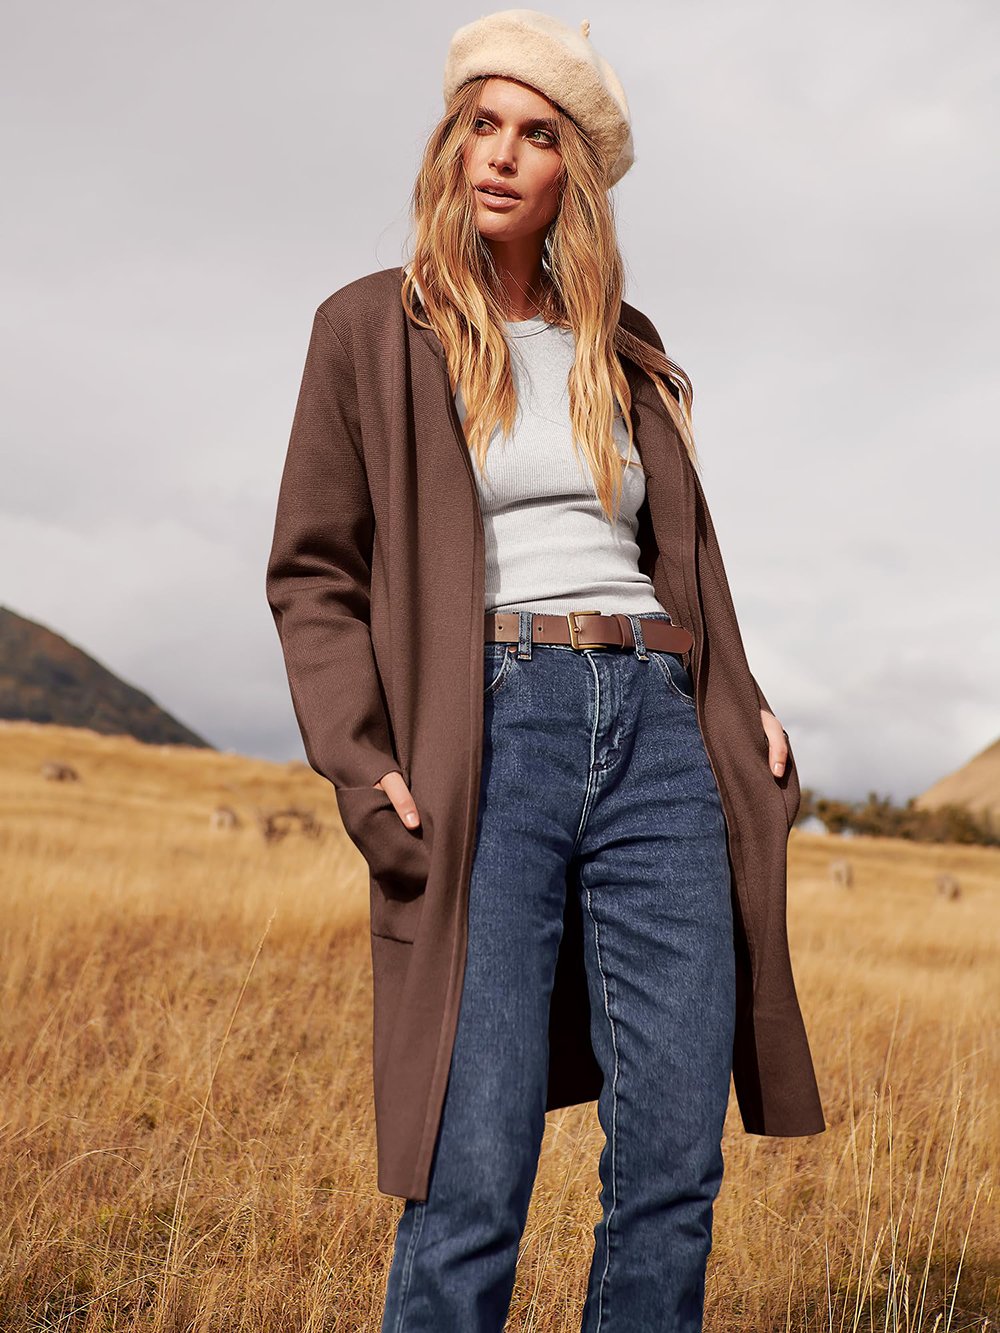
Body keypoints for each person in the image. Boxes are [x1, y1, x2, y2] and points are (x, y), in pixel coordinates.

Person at [266, 10, 825, 1331]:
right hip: (491, 728)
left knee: (673, 1169)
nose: (501, 155)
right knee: (472, 1173)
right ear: (450, 143)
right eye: (482, 124)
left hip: (659, 733)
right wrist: (361, 757)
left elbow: (683, 560)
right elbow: (313, 572)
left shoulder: (623, 347)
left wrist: (739, 701)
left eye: (535, 133)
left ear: (576, 167)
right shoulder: (373, 328)